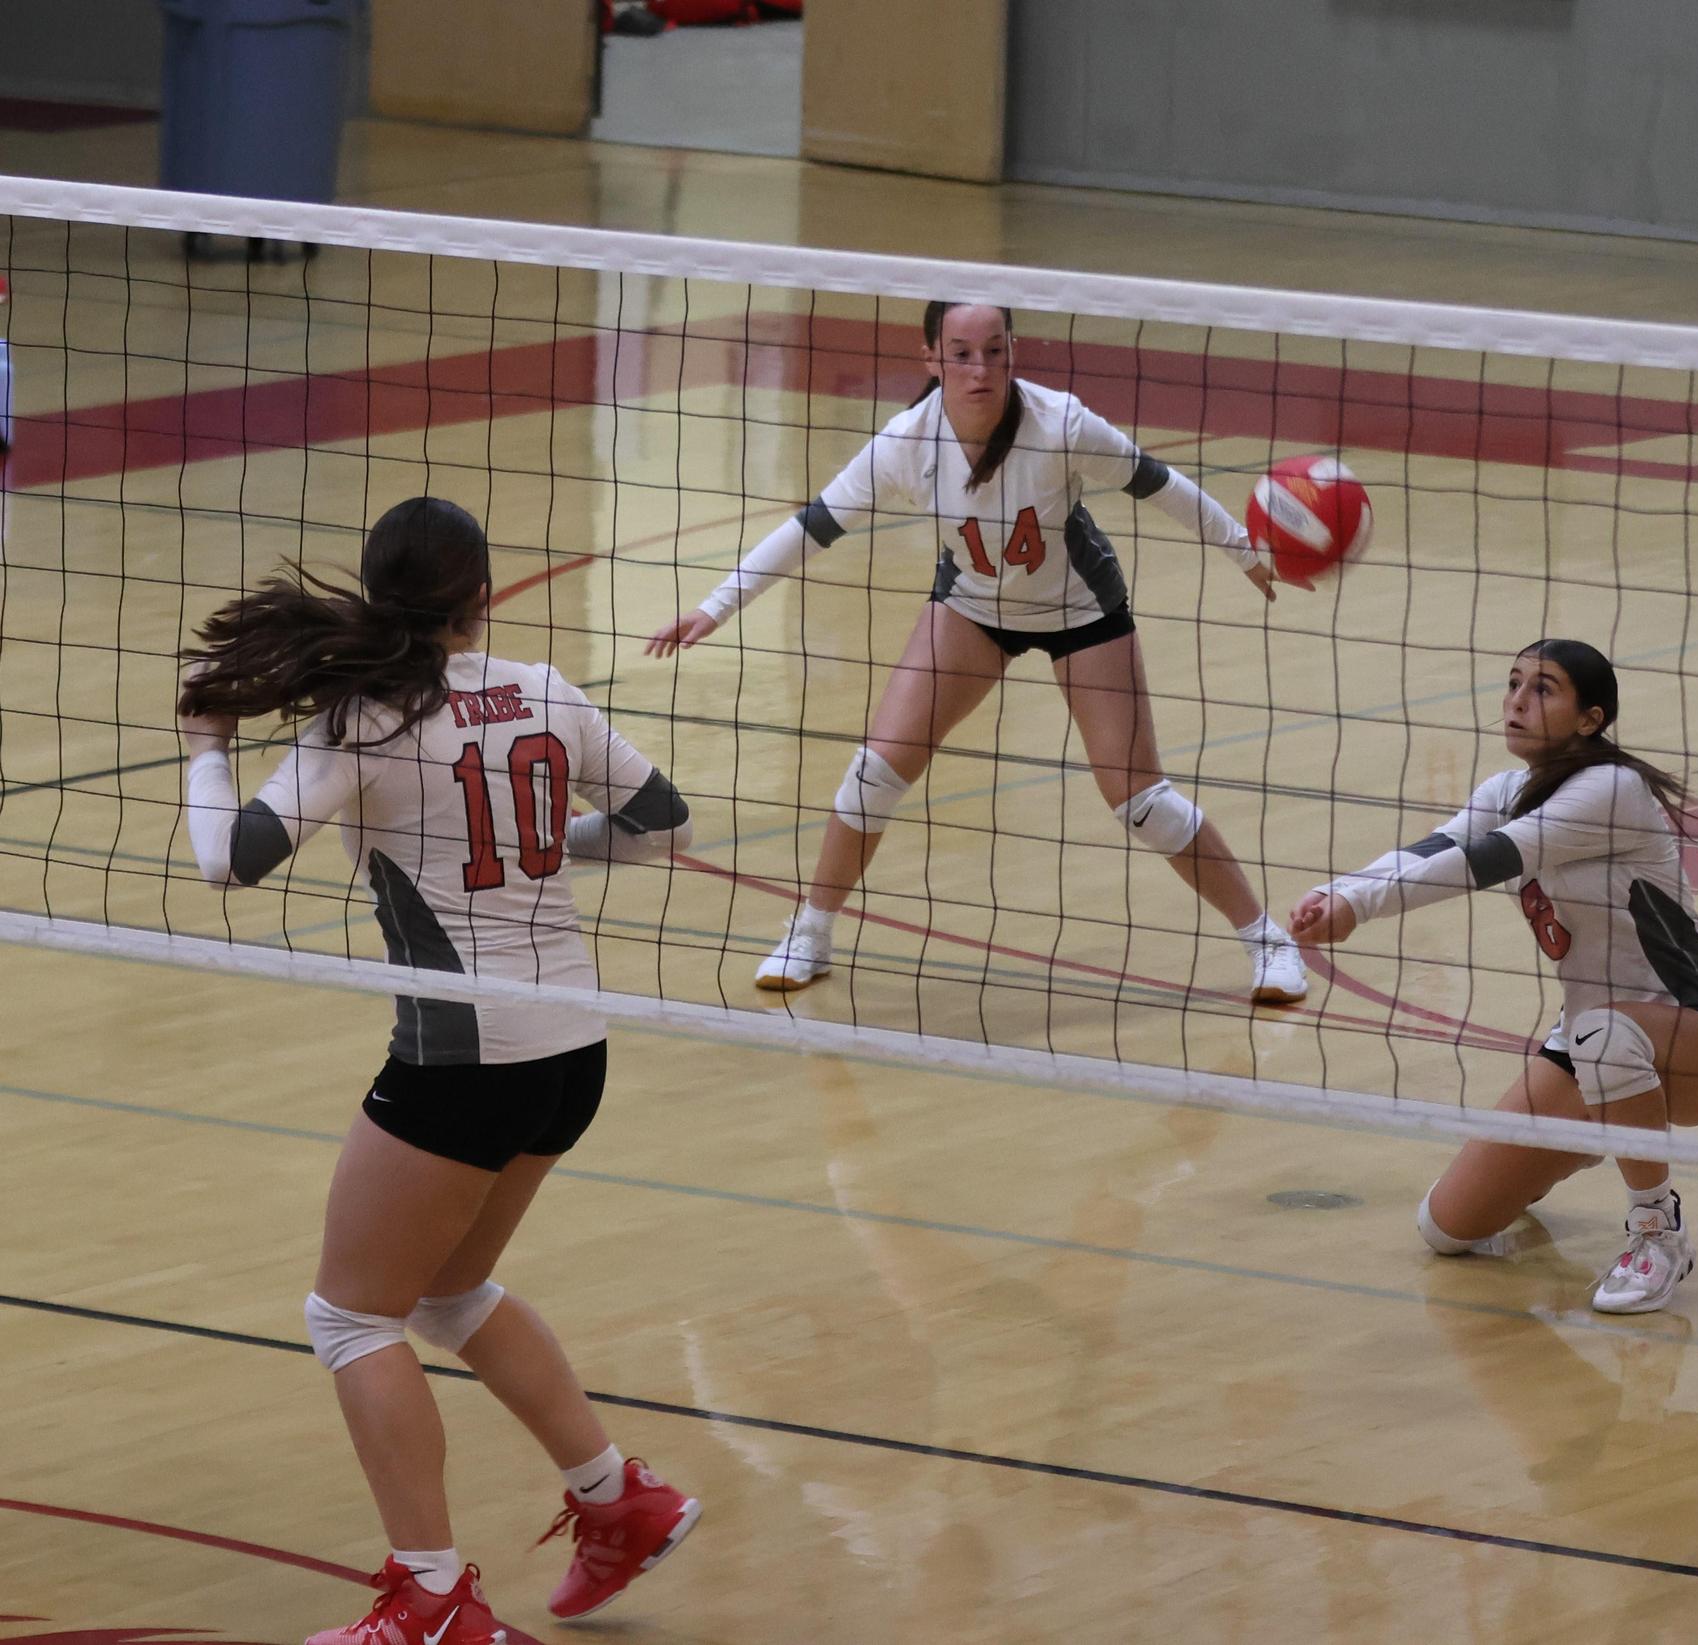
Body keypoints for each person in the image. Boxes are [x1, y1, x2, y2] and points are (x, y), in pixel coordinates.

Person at [177, 497, 700, 1644]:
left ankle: (432, 1601)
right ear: (483, 597)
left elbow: (227, 860)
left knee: (351, 1318)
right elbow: (663, 823)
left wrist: (207, 747)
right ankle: (621, 1501)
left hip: (462, 1057)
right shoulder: (547, 689)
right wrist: (552, 840)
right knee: (447, 1294)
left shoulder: (362, 724)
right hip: (571, 1050)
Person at [646, 300, 1309, 1005]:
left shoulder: (1061, 424)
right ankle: (810, 931)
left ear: (1013, 352)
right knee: (873, 773)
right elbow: (812, 527)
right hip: (972, 609)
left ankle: (1268, 940)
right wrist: (715, 606)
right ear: (931, 358)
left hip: (1081, 612)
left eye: (994, 350)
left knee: (1141, 801)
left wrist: (1243, 551)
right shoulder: (908, 442)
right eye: (961, 352)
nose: (980, 368)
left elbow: (1160, 484)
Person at [1287, 639, 1698, 1313]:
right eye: (1513, 683)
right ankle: (1594, 1131)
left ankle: (1657, 1228)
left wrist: (1357, 907)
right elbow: (1434, 849)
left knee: (1602, 1033)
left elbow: (1488, 859)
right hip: (1592, 1044)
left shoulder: (1611, 789)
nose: (1517, 699)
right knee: (1446, 1227)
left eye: (1543, 688)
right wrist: (1337, 891)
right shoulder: (1503, 791)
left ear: (1589, 719)